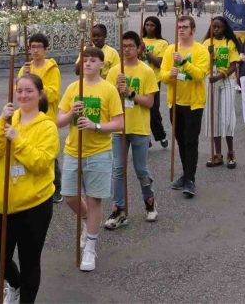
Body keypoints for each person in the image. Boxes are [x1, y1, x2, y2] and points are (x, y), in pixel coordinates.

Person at [0, 74, 59, 304]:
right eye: (20, 91)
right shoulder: (8, 120)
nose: (23, 95)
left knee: (30, 260)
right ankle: (14, 283)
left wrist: (17, 140)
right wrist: (0, 122)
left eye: (29, 91)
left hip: (34, 204)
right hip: (2, 201)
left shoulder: (47, 126)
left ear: (39, 94)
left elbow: (40, 163)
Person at [57, 47, 124, 271]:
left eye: (93, 60)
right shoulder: (73, 88)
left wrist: (96, 126)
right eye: (85, 60)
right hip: (73, 149)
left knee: (95, 198)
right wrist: (70, 114)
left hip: (99, 152)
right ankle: (88, 221)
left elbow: (119, 123)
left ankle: (91, 247)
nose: (87, 64)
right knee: (68, 196)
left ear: (101, 65)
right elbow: (58, 121)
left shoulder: (109, 90)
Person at [103, 31, 160, 229]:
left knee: (141, 169)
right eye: (123, 46)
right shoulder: (114, 72)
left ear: (139, 48)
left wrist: (130, 93)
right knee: (118, 169)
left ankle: (149, 202)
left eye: (130, 46)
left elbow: (149, 103)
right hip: (119, 129)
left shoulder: (146, 72)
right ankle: (119, 209)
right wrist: (116, 94)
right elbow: (107, 102)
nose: (126, 50)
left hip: (139, 127)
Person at [158, 16, 210, 197]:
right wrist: (170, 74)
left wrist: (183, 63)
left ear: (193, 30)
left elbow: (200, 75)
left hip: (193, 103)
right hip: (175, 102)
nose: (181, 30)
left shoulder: (201, 51)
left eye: (185, 27)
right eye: (179, 27)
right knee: (180, 139)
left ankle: (190, 179)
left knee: (191, 140)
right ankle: (186, 173)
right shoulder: (170, 50)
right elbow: (162, 76)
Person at [19, 33, 62, 202]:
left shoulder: (52, 69)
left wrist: (35, 86)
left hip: (46, 117)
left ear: (45, 49)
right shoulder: (25, 69)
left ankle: (56, 187)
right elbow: (20, 91)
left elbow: (53, 94)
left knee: (48, 153)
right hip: (27, 115)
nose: (35, 50)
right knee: (30, 150)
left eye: (38, 47)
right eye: (32, 47)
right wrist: (25, 79)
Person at [203, 16, 240, 168]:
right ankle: (217, 154)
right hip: (211, 81)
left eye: (218, 27)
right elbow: (204, 64)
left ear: (224, 28)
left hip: (226, 80)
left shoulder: (230, 42)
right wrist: (210, 54)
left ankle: (231, 152)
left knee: (226, 117)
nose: (215, 29)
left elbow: (234, 65)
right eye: (213, 27)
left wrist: (220, 75)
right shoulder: (206, 43)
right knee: (213, 117)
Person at [140, 16, 170, 148]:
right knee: (140, 109)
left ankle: (161, 134)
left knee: (153, 111)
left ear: (157, 27)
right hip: (139, 79)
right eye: (147, 25)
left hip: (153, 80)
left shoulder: (162, 43)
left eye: (152, 25)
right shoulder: (139, 40)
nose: (149, 27)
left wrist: (146, 51)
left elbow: (159, 63)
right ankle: (145, 137)